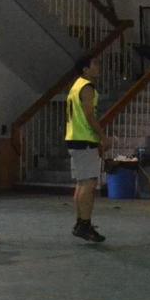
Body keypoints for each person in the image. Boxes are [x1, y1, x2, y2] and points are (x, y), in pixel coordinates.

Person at [65, 56, 109, 242]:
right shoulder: (87, 88)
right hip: (84, 139)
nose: (98, 67)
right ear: (85, 69)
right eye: (95, 64)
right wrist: (102, 136)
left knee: (82, 183)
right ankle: (84, 224)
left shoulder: (76, 86)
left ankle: (80, 222)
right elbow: (90, 115)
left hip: (74, 137)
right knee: (89, 184)